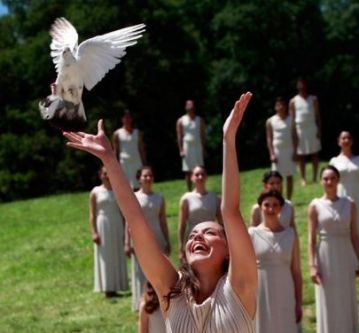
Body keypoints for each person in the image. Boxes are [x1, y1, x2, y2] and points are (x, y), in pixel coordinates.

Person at [64, 92, 257, 332]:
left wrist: (228, 140)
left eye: (209, 232)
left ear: (229, 250)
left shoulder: (241, 286)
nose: (197, 236)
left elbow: (230, 211)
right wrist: (109, 159)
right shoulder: (171, 291)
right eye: (193, 235)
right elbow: (135, 220)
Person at [308, 166, 359, 333]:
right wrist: (312, 265)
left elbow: (355, 235)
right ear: (321, 181)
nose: (329, 182)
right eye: (326, 179)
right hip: (325, 254)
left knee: (346, 294)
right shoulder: (315, 205)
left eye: (332, 178)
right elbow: (311, 239)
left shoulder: (349, 204)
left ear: (338, 180)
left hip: (345, 253)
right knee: (328, 296)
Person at [249, 190, 302, 332]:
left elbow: (296, 272)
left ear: (281, 208)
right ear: (260, 207)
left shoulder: (290, 234)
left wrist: (298, 303)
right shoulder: (252, 234)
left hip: (285, 291)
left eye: (275, 205)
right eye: (267, 205)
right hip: (260, 294)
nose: (271, 209)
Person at [125, 166, 171, 311]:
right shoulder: (134, 197)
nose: (148, 178)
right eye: (145, 176)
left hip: (157, 236)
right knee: (140, 271)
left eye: (150, 176)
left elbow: (163, 220)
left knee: (158, 269)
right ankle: (141, 303)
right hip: (139, 238)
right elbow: (129, 220)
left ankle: (158, 301)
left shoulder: (159, 198)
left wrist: (167, 239)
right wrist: (127, 242)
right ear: (139, 179)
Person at [329, 131, 359, 271]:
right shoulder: (334, 161)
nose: (345, 140)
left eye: (348, 138)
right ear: (339, 141)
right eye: (343, 138)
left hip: (358, 196)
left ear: (352, 141)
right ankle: (347, 263)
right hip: (341, 195)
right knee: (345, 228)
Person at [89, 166, 128, 297]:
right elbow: (92, 214)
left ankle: (117, 286)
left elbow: (123, 213)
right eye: (104, 173)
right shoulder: (95, 191)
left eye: (108, 173)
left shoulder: (117, 190)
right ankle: (107, 288)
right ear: (100, 175)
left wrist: (125, 231)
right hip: (102, 225)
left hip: (116, 224)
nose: (106, 176)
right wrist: (94, 232)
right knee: (105, 256)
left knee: (116, 254)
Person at [178, 165, 222, 258]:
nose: (200, 177)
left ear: (206, 177)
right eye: (197, 175)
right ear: (191, 178)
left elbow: (221, 223)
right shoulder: (186, 199)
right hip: (193, 239)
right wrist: (181, 247)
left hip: (211, 238)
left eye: (202, 174)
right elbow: (182, 225)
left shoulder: (215, 198)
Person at [289, 78, 321, 186]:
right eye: (299, 84)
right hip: (300, 129)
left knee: (314, 154)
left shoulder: (313, 99)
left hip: (312, 127)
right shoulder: (293, 101)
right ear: (297, 86)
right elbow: (292, 119)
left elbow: (317, 116)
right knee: (301, 155)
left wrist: (319, 129)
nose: (301, 86)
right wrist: (293, 133)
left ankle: (315, 177)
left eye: (303, 84)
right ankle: (303, 178)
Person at [266, 97, 296, 199]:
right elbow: (269, 138)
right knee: (277, 177)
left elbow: (295, 136)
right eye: (278, 105)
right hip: (277, 151)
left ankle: (289, 199)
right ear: (275, 107)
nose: (281, 107)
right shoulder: (270, 121)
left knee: (289, 175)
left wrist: (295, 151)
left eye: (283, 105)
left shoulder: (291, 119)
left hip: (289, 150)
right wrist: (272, 154)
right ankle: (280, 199)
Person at [176, 100, 207, 190]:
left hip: (197, 146)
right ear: (185, 107)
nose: (190, 107)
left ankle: (200, 188)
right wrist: (181, 149)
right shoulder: (181, 120)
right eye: (188, 105)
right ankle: (189, 189)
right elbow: (179, 136)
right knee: (188, 170)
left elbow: (202, 135)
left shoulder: (199, 120)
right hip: (187, 147)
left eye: (192, 105)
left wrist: (203, 148)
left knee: (199, 168)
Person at [112, 110, 146, 189]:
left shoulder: (137, 132)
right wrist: (114, 165)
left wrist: (144, 163)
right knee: (126, 184)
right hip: (124, 162)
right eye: (125, 118)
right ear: (122, 119)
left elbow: (141, 148)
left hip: (137, 160)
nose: (127, 120)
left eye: (129, 118)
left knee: (139, 182)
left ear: (131, 119)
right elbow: (115, 150)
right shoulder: (117, 133)